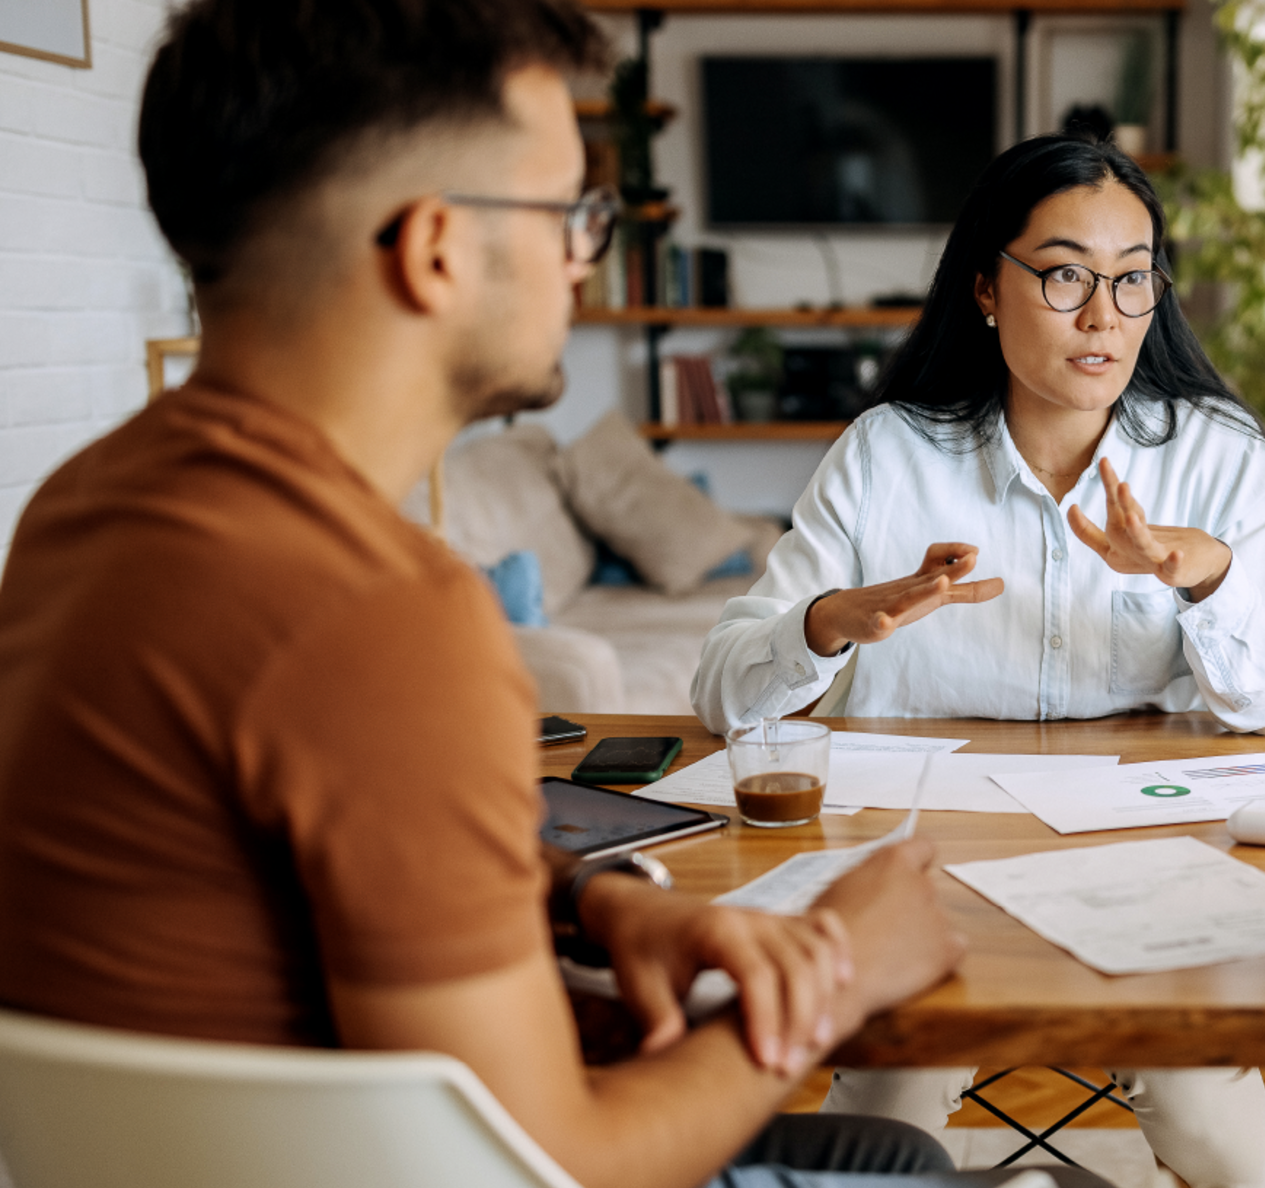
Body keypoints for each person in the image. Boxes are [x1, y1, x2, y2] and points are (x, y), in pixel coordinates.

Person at [0, 3, 1111, 1187]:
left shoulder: (80, 506)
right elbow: (555, 1165)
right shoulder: (378, 614)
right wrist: (840, 960)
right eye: (571, 212)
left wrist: (587, 900)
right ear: (435, 249)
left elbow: (312, 856)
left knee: (878, 1146)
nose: (587, 255)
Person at [691, 135, 1265, 1187]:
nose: (1102, 313)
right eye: (1065, 273)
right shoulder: (888, 453)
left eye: (1131, 278)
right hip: (927, 861)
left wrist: (1199, 573)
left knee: (1215, 1132)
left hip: (1146, 861)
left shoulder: (1215, 451)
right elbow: (719, 693)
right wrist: (833, 620)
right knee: (881, 1127)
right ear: (986, 286)